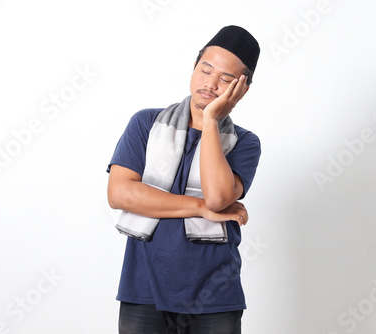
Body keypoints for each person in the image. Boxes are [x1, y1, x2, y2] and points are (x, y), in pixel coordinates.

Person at [107, 25, 261, 334]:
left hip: (215, 296)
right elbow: (120, 194)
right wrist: (200, 207)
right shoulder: (146, 124)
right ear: (193, 68)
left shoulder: (245, 142)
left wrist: (212, 122)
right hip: (144, 288)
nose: (211, 84)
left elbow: (218, 198)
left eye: (226, 79)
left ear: (242, 89)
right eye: (206, 70)